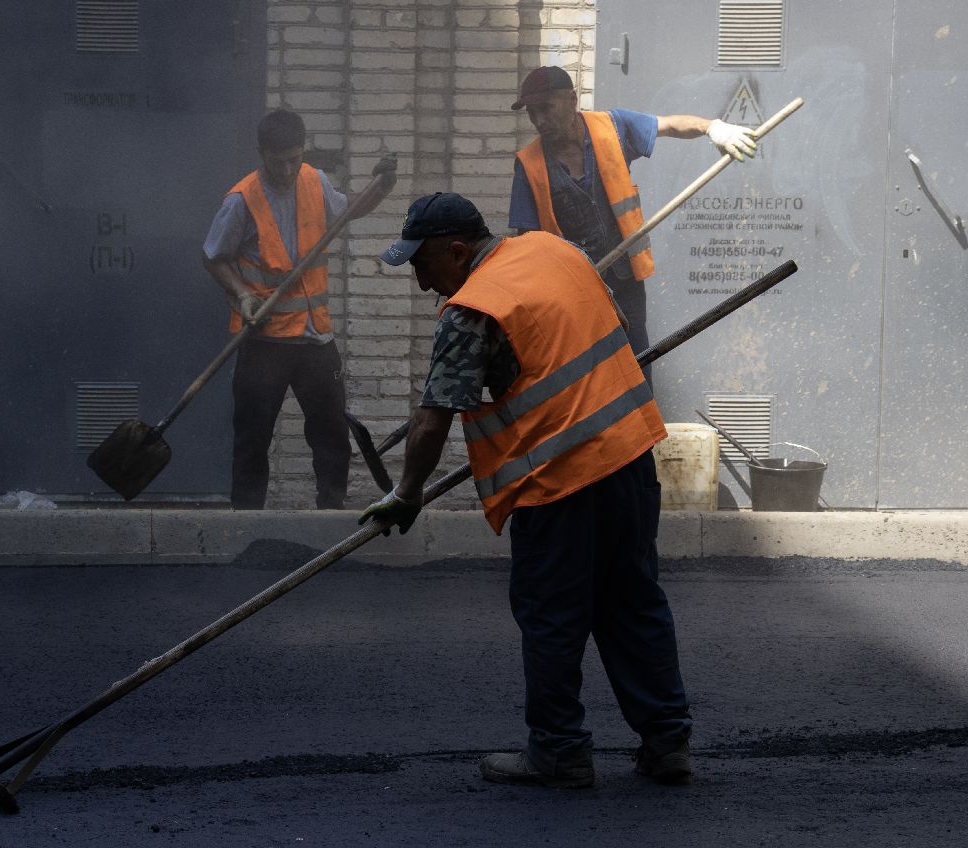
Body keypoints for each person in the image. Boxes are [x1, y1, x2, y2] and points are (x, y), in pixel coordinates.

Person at [360, 192, 694, 788]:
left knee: (552, 617)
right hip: (628, 459)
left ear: (458, 251)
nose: (420, 284)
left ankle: (560, 753)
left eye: (421, 266)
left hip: (559, 484)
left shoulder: (472, 309)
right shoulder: (556, 251)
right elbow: (609, 331)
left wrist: (406, 494)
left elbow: (436, 415)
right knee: (633, 603)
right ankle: (667, 743)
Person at [202, 109, 394, 509]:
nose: (288, 170)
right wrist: (242, 295)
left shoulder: (314, 180)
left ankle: (332, 517)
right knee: (253, 438)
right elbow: (214, 257)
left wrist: (383, 186)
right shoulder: (242, 200)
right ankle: (247, 523)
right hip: (264, 340)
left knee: (330, 434)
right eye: (279, 161)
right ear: (262, 153)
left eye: (295, 158)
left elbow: (348, 211)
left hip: (314, 337)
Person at [509, 65, 758, 356]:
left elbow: (670, 125)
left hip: (624, 280)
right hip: (571, 291)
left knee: (636, 362)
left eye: (546, 108)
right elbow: (525, 242)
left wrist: (713, 128)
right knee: (589, 373)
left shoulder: (612, 128)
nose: (539, 120)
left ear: (572, 99)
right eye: (532, 112)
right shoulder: (529, 164)